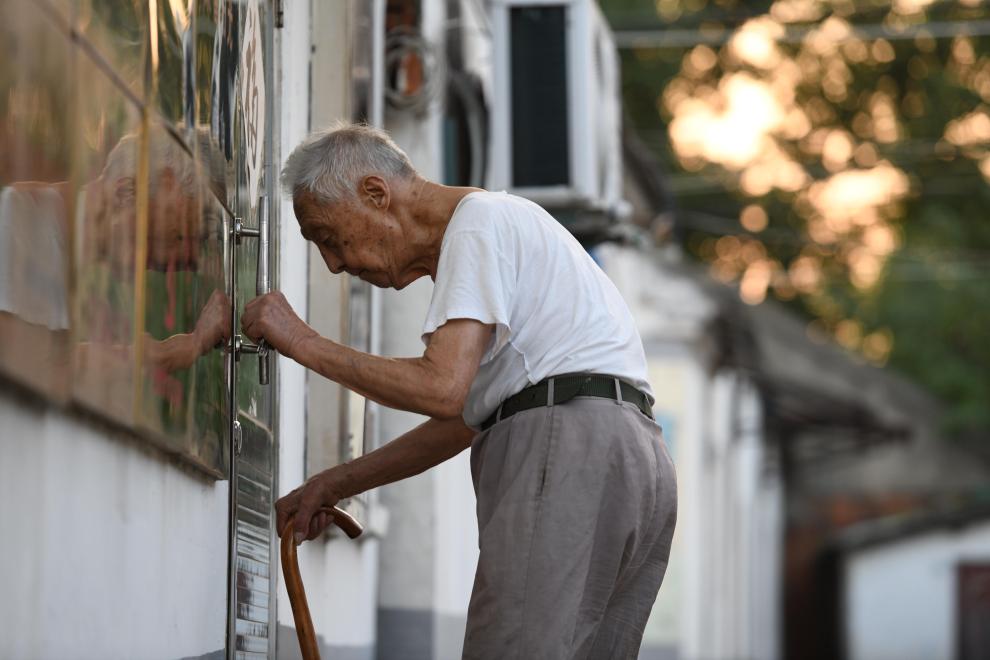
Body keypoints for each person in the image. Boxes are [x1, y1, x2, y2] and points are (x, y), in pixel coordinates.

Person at [242, 122, 677, 659]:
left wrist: (301, 340)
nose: (335, 265)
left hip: (573, 448)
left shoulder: (475, 224)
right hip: (636, 453)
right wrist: (336, 482)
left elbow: (441, 389)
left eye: (329, 238)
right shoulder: (505, 229)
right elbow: (466, 414)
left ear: (376, 194)